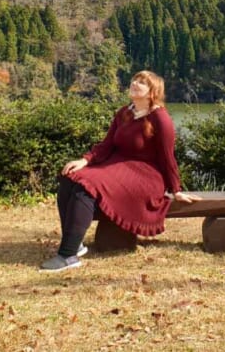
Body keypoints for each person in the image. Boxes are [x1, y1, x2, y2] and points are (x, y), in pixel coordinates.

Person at [40, 70, 200, 272]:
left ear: (153, 91)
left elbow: (168, 157)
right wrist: (85, 160)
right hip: (117, 167)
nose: (134, 84)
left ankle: (67, 255)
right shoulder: (124, 113)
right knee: (70, 178)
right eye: (134, 80)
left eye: (141, 82)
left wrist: (175, 189)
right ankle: (75, 244)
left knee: (86, 187)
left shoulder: (160, 118)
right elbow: (106, 145)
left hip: (146, 175)